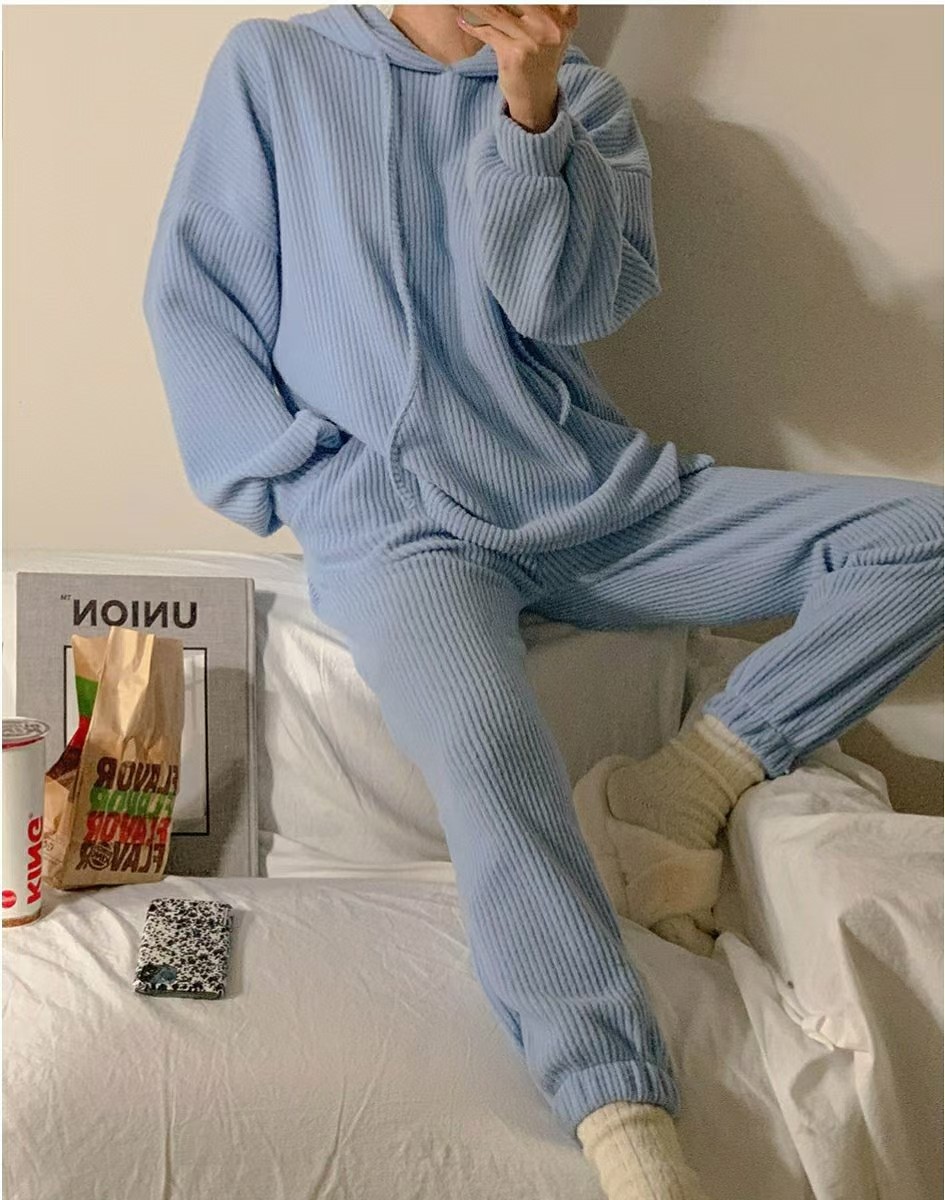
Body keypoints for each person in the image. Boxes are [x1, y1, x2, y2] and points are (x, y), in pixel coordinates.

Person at [141, 5, 944, 1197]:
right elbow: (195, 298)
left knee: (923, 540)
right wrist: (305, 475)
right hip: (404, 534)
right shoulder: (279, 67)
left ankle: (682, 789)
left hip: (588, 499)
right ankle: (626, 1120)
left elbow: (560, 308)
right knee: (489, 753)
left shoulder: (591, 108)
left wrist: (530, 116)